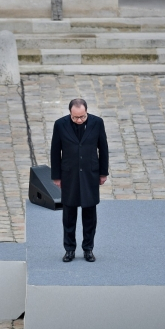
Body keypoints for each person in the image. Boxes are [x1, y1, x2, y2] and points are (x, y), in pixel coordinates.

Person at [50, 98, 109, 262]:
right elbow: (55, 151)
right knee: (69, 215)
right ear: (70, 113)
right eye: (75, 117)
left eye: (82, 117)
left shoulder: (97, 123)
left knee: (90, 215)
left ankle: (88, 249)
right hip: (69, 175)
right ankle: (69, 249)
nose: (79, 120)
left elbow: (103, 148)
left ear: (86, 112)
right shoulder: (60, 125)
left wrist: (103, 173)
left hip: (90, 174)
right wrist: (56, 176)